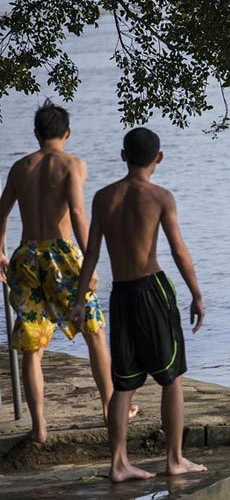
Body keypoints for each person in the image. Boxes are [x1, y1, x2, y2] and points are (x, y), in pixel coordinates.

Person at [72, 126, 206, 483]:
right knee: (171, 377)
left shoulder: (103, 197)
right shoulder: (160, 197)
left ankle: (118, 463)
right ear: (158, 158)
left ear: (123, 156)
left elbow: (91, 253)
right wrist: (196, 294)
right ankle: (175, 459)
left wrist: (80, 299)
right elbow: (178, 250)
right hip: (152, 290)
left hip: (121, 294)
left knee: (124, 383)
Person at [0, 100, 136, 443]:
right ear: (68, 133)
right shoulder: (73, 164)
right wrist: (90, 260)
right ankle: (109, 410)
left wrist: (0, 251)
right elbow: (77, 213)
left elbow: (1, 213)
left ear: (36, 133)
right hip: (61, 255)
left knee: (32, 345)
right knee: (94, 330)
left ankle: (39, 427)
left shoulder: (20, 167)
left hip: (27, 255)